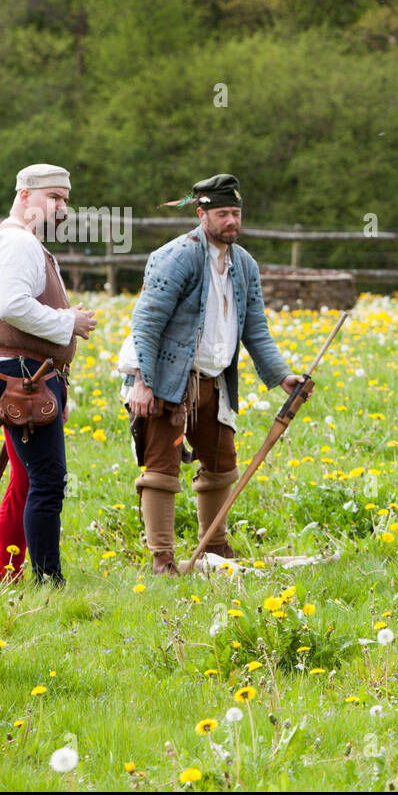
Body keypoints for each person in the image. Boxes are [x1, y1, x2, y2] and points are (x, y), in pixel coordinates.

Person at [123, 174, 310, 575]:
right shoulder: (178, 256)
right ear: (202, 213)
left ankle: (215, 549)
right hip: (168, 379)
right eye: (223, 213)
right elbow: (147, 322)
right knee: (161, 469)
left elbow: (255, 327)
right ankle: (163, 561)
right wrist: (142, 381)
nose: (231, 221)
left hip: (214, 383)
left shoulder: (243, 264)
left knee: (222, 464)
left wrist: (281, 376)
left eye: (236, 213)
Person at [0, 163, 97, 586]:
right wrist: (70, 322)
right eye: (53, 198)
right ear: (25, 195)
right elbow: (12, 305)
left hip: (27, 375)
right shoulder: (16, 242)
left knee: (26, 480)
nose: (61, 207)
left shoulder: (21, 240)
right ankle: (49, 580)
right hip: (20, 377)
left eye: (64, 198)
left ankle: (7, 573)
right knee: (48, 481)